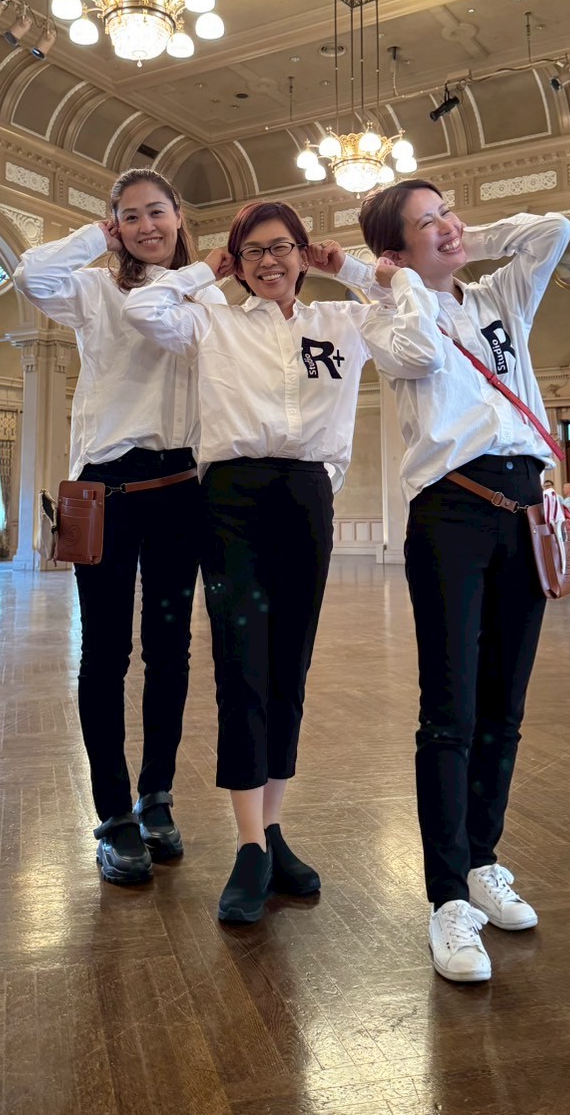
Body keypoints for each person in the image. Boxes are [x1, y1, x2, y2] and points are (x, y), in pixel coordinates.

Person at [124, 199, 443, 924]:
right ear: (238, 263)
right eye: (253, 251)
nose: (269, 261)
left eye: (282, 247)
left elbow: (418, 338)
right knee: (241, 665)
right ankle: (247, 845)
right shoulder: (213, 321)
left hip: (306, 496)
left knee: (288, 667)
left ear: (304, 253)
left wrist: (352, 268)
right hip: (231, 498)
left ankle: (272, 830)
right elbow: (145, 309)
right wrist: (206, 271)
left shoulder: (343, 321)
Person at [357, 178, 570, 985]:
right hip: (452, 510)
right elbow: (417, 353)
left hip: (527, 510)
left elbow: (554, 229)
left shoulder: (498, 297)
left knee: (504, 707)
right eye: (427, 222)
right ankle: (447, 898)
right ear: (394, 250)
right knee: (449, 711)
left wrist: (460, 240)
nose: (447, 225)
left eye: (447, 210)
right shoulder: (388, 316)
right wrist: (407, 280)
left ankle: (483, 860)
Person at [13, 169, 225, 888]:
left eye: (155, 211)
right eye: (128, 215)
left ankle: (156, 796)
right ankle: (113, 815)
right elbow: (30, 274)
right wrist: (93, 238)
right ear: (115, 226)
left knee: (170, 651)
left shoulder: (203, 295)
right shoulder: (94, 289)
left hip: (180, 489)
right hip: (104, 490)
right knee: (104, 655)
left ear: (178, 215)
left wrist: (197, 274)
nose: (144, 225)